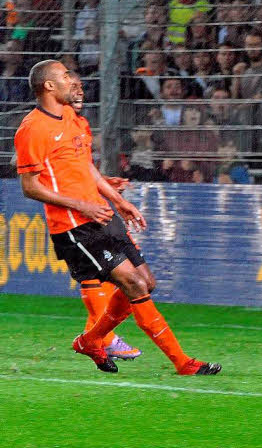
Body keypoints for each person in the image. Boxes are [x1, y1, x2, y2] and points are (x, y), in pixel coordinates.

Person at [13, 59, 220, 376]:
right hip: (74, 226)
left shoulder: (72, 118)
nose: (72, 80)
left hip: (102, 213)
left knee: (147, 282)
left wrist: (118, 200)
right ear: (49, 86)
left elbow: (84, 168)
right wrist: (80, 205)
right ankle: (183, 363)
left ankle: (89, 341)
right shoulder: (32, 129)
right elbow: (30, 187)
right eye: (65, 75)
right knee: (134, 283)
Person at [66, 73, 143, 361]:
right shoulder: (46, 126)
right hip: (74, 213)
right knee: (104, 275)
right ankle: (102, 338)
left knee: (108, 276)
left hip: (91, 206)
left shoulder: (79, 124)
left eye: (81, 87)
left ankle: (96, 337)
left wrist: (104, 185)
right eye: (71, 86)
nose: (79, 92)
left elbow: (82, 168)